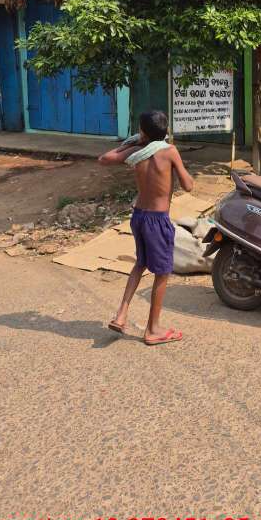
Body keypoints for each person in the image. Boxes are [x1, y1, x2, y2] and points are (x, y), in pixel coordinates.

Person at [98, 110, 194, 346]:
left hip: (139, 216)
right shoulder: (169, 151)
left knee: (140, 264)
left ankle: (121, 315)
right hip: (158, 220)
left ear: (142, 132)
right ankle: (153, 330)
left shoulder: (137, 151)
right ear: (165, 130)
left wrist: (131, 142)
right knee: (162, 273)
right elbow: (188, 185)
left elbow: (105, 158)